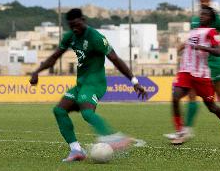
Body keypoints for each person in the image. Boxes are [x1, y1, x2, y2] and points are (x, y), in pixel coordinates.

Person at [29, 8, 148, 162]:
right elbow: (54, 57)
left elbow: (116, 60)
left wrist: (134, 81)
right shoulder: (70, 37)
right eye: (71, 26)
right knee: (59, 110)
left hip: (95, 82)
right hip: (81, 83)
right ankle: (76, 150)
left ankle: (112, 137)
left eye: (77, 24)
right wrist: (37, 71)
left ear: (83, 20)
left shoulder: (96, 37)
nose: (75, 28)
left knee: (86, 113)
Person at [165, 0, 220, 140]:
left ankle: (194, 129)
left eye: (205, 1)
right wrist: (182, 46)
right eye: (201, 1)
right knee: (183, 96)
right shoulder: (195, 21)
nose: (203, 3)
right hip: (190, 70)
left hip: (212, 65)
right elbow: (192, 40)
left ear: (210, 3)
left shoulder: (216, 21)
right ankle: (183, 131)